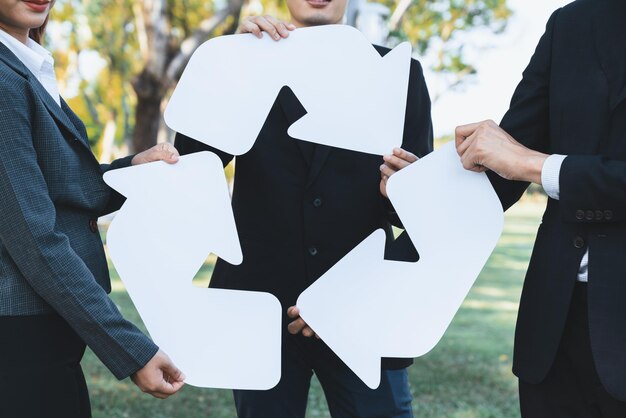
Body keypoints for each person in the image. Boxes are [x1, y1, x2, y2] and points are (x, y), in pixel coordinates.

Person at [175, 0, 433, 416]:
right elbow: (189, 168)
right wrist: (228, 67)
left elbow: (419, 218)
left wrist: (410, 191)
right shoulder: (244, 65)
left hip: (362, 309)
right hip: (260, 311)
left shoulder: (400, 73)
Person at [0, 2, 185, 417]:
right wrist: (130, 350)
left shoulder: (25, 66)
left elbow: (59, 189)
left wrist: (129, 170)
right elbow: (33, 237)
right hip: (19, 337)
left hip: (44, 333)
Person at [455, 0, 626, 416]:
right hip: (554, 329)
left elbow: (520, 160)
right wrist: (412, 185)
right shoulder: (570, 23)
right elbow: (504, 161)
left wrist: (535, 165)